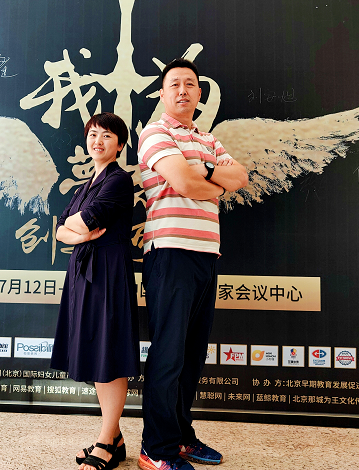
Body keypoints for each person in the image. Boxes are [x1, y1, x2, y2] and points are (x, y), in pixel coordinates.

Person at [136, 59, 248, 470]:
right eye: (174, 84)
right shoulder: (154, 132)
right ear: (162, 93)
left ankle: (181, 437)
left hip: (206, 255)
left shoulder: (208, 139)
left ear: (200, 93)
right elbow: (183, 182)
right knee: (169, 354)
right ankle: (156, 449)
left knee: (191, 354)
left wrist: (204, 169)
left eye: (190, 84)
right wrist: (212, 183)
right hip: (170, 252)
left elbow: (241, 178)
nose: (183, 90)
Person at [50, 112, 140, 470]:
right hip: (84, 271)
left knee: (109, 352)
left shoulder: (119, 180)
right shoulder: (85, 185)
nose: (97, 140)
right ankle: (114, 439)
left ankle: (106, 441)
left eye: (106, 135)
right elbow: (60, 228)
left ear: (120, 145)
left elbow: (84, 219)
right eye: (92, 134)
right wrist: (79, 235)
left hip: (108, 272)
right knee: (97, 351)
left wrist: (77, 229)